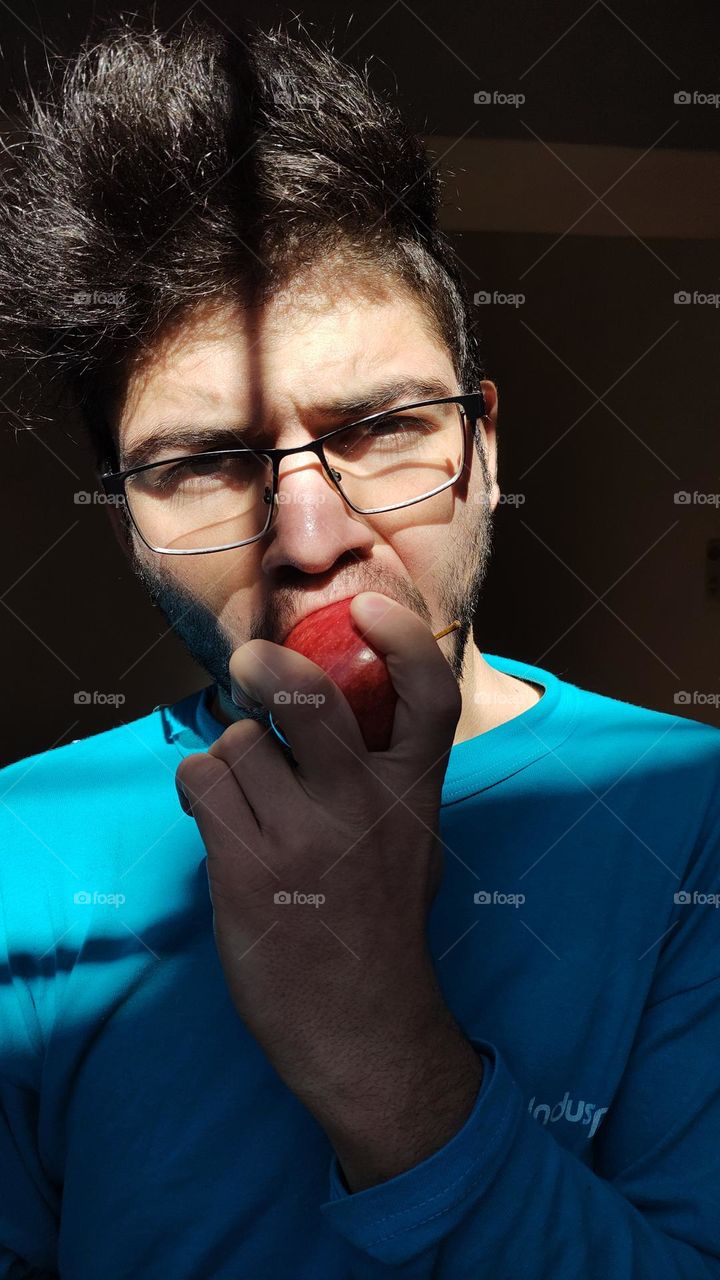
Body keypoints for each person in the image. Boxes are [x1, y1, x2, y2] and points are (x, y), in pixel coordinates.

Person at [0, 18, 718, 1280]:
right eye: (204, 463)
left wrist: (381, 1044)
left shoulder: (695, 810)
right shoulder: (19, 848)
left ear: (483, 450)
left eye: (381, 426)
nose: (312, 536)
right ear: (125, 521)